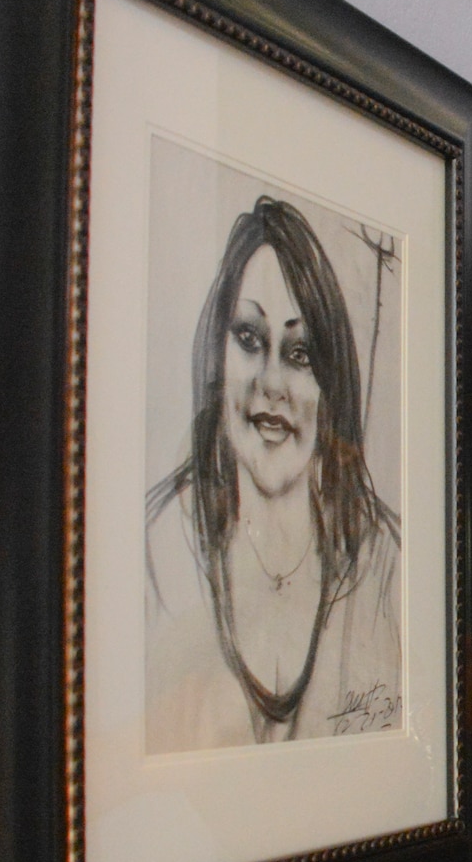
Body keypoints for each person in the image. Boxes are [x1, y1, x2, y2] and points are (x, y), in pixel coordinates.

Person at [146, 195, 401, 750]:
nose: (271, 384)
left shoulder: (381, 562)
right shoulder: (159, 551)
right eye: (249, 339)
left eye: (301, 352)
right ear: (216, 352)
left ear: (331, 385)